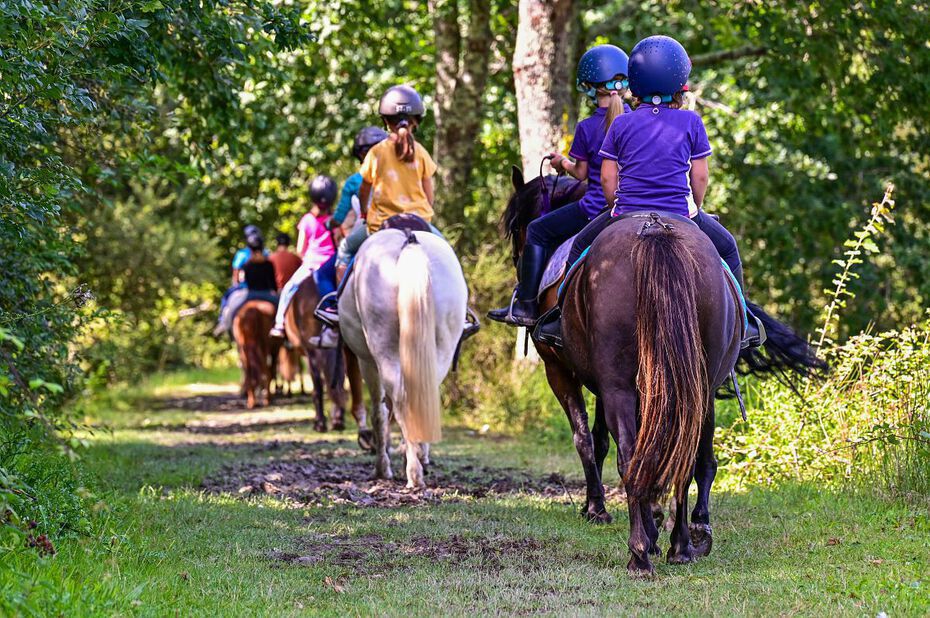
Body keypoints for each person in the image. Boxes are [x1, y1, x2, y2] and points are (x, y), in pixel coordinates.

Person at [540, 35, 760, 347]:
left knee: (578, 251)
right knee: (728, 249)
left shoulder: (621, 124)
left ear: (636, 82)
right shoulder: (691, 121)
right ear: (679, 83)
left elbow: (605, 179)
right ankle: (745, 323)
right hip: (680, 212)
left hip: (626, 211)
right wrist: (696, 209)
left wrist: (614, 206)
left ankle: (557, 319)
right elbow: (699, 176)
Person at [488, 44, 631, 326]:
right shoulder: (636, 121)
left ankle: (526, 306)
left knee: (539, 231)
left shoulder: (588, 128)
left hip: (595, 209)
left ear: (589, 87)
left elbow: (580, 173)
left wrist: (561, 163)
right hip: (637, 204)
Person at [268, 175, 338, 339]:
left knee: (288, 288)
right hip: (332, 264)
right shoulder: (335, 219)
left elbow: (301, 249)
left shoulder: (307, 220)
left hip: (311, 265)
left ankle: (279, 324)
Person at [214, 228, 278, 336]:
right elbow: (273, 283)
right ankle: (285, 337)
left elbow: (238, 277)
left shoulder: (245, 262)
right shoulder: (268, 261)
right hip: (267, 293)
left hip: (249, 292)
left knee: (230, 305)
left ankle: (224, 323)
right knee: (283, 310)